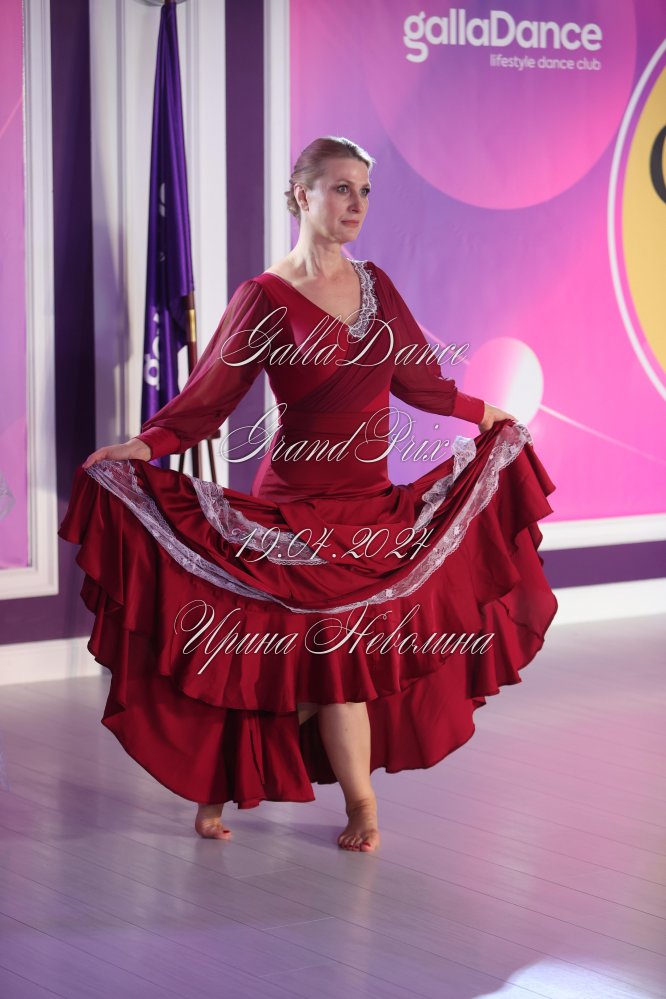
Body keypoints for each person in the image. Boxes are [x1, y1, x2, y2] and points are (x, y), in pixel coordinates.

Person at [60, 136, 557, 853]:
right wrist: (145, 445)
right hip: (290, 514)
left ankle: (353, 806)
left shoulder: (379, 286)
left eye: (364, 191)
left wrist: (487, 416)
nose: (356, 204)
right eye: (340, 188)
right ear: (302, 195)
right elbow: (209, 399)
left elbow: (421, 383)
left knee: (328, 666)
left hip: (369, 512)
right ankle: (255, 790)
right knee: (285, 662)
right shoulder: (262, 298)